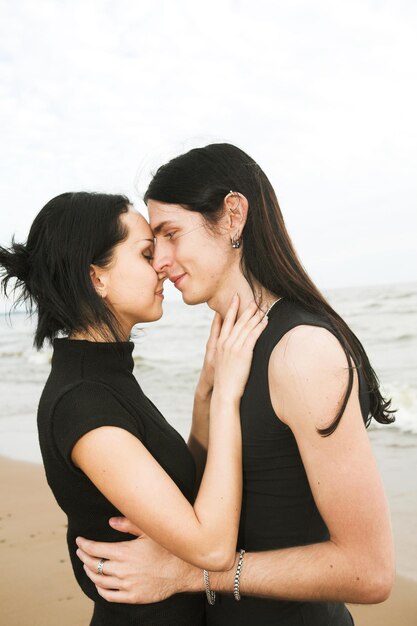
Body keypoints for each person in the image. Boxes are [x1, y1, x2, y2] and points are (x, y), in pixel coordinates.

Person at [76, 144, 396, 625]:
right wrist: (208, 395)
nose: (159, 259)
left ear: (232, 216)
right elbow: (213, 488)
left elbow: (369, 571)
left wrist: (191, 573)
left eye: (170, 234)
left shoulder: (301, 353)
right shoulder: (230, 341)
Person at [0, 191, 268, 626]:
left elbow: (186, 489)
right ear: (96, 278)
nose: (163, 263)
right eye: (146, 253)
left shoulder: (104, 377)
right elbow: (213, 548)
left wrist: (205, 389)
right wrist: (226, 399)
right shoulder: (84, 403)